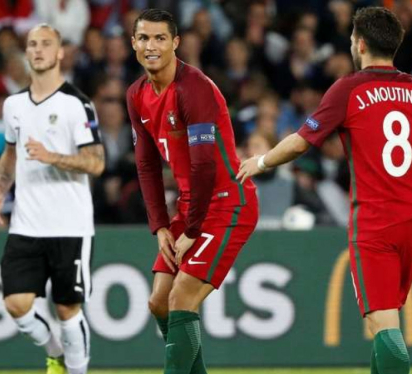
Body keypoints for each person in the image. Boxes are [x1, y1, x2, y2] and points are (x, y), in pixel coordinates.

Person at [237, 7, 412, 374]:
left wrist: (261, 162)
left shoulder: (350, 88)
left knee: (384, 327)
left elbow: (301, 143)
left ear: (359, 44)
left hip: (374, 224)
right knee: (384, 323)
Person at [126, 9, 259, 374]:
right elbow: (147, 164)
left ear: (175, 43)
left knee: (181, 298)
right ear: (133, 43)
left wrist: (191, 230)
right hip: (190, 208)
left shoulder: (194, 89)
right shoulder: (137, 94)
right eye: (144, 38)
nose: (151, 46)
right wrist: (161, 227)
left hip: (229, 203)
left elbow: (204, 165)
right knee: (159, 303)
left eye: (160, 38)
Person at [0, 24, 105, 374]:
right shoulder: (13, 105)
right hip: (27, 224)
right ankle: (57, 352)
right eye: (32, 44)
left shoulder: (77, 104)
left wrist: (54, 157)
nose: (37, 50)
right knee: (16, 303)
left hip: (70, 224)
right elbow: (10, 152)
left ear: (60, 52)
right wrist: (0, 191)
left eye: (46, 44)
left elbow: (96, 162)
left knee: (68, 309)